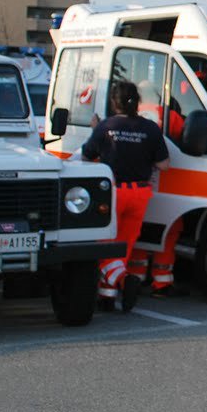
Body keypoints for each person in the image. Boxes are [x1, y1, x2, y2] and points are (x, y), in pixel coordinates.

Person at [80, 80, 170, 312]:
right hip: (140, 194)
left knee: (105, 245)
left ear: (114, 102)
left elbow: (87, 157)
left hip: (113, 193)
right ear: (137, 102)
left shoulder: (105, 126)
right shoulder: (151, 128)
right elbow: (164, 164)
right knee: (124, 246)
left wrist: (96, 131)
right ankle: (107, 296)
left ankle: (122, 279)